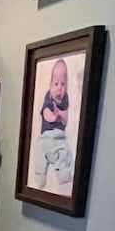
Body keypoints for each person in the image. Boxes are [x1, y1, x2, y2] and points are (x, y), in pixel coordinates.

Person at [33, 58, 73, 189]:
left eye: (63, 84)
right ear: (50, 85)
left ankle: (63, 172)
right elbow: (45, 113)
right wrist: (54, 117)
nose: (59, 89)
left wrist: (61, 114)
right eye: (56, 84)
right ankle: (40, 174)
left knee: (65, 151)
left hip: (59, 136)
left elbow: (66, 119)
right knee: (39, 150)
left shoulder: (65, 99)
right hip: (46, 135)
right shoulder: (49, 97)